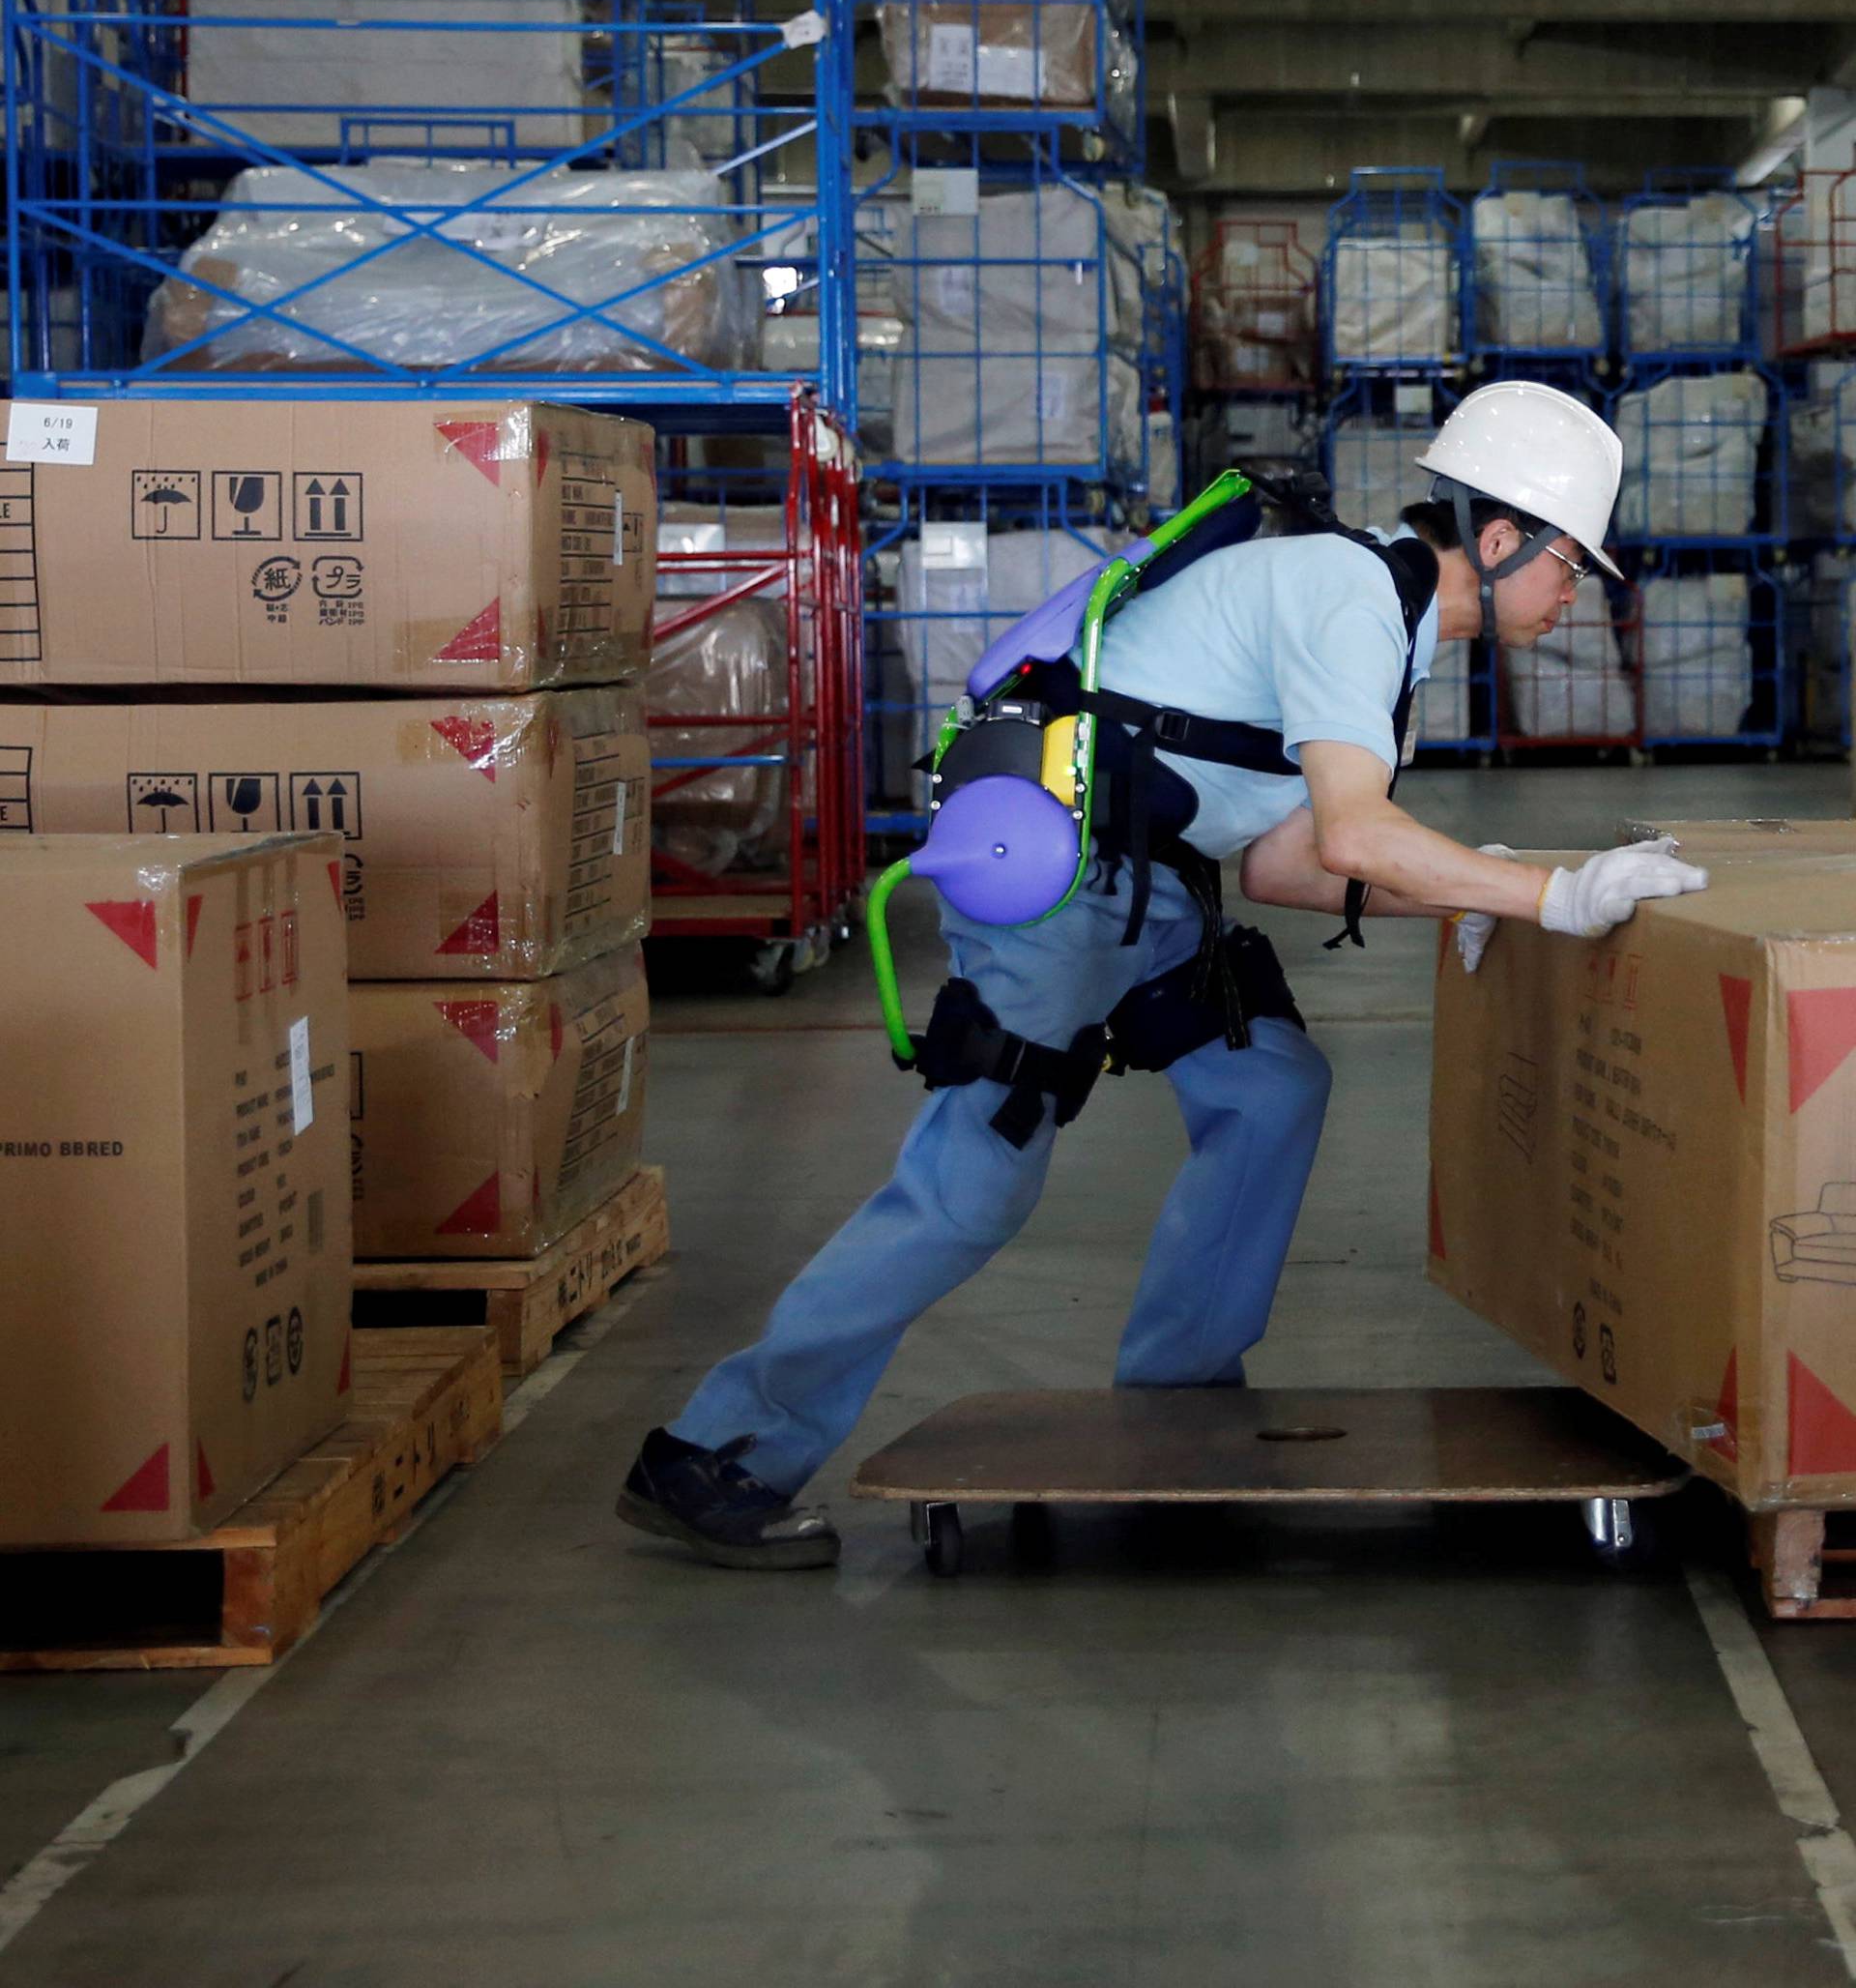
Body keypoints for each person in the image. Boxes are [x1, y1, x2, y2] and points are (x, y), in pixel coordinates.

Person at [618, 380, 1707, 1570]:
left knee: (1272, 1087)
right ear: (1499, 541)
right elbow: (1350, 838)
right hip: (1059, 880)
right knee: (973, 1182)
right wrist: (1550, 893)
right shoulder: (1349, 595)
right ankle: (716, 1451)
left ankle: (1177, 1406)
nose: (1575, 596)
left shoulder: (1394, 635)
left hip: (1149, 886)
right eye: (1570, 567)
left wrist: (1468, 888)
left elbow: (1294, 862)